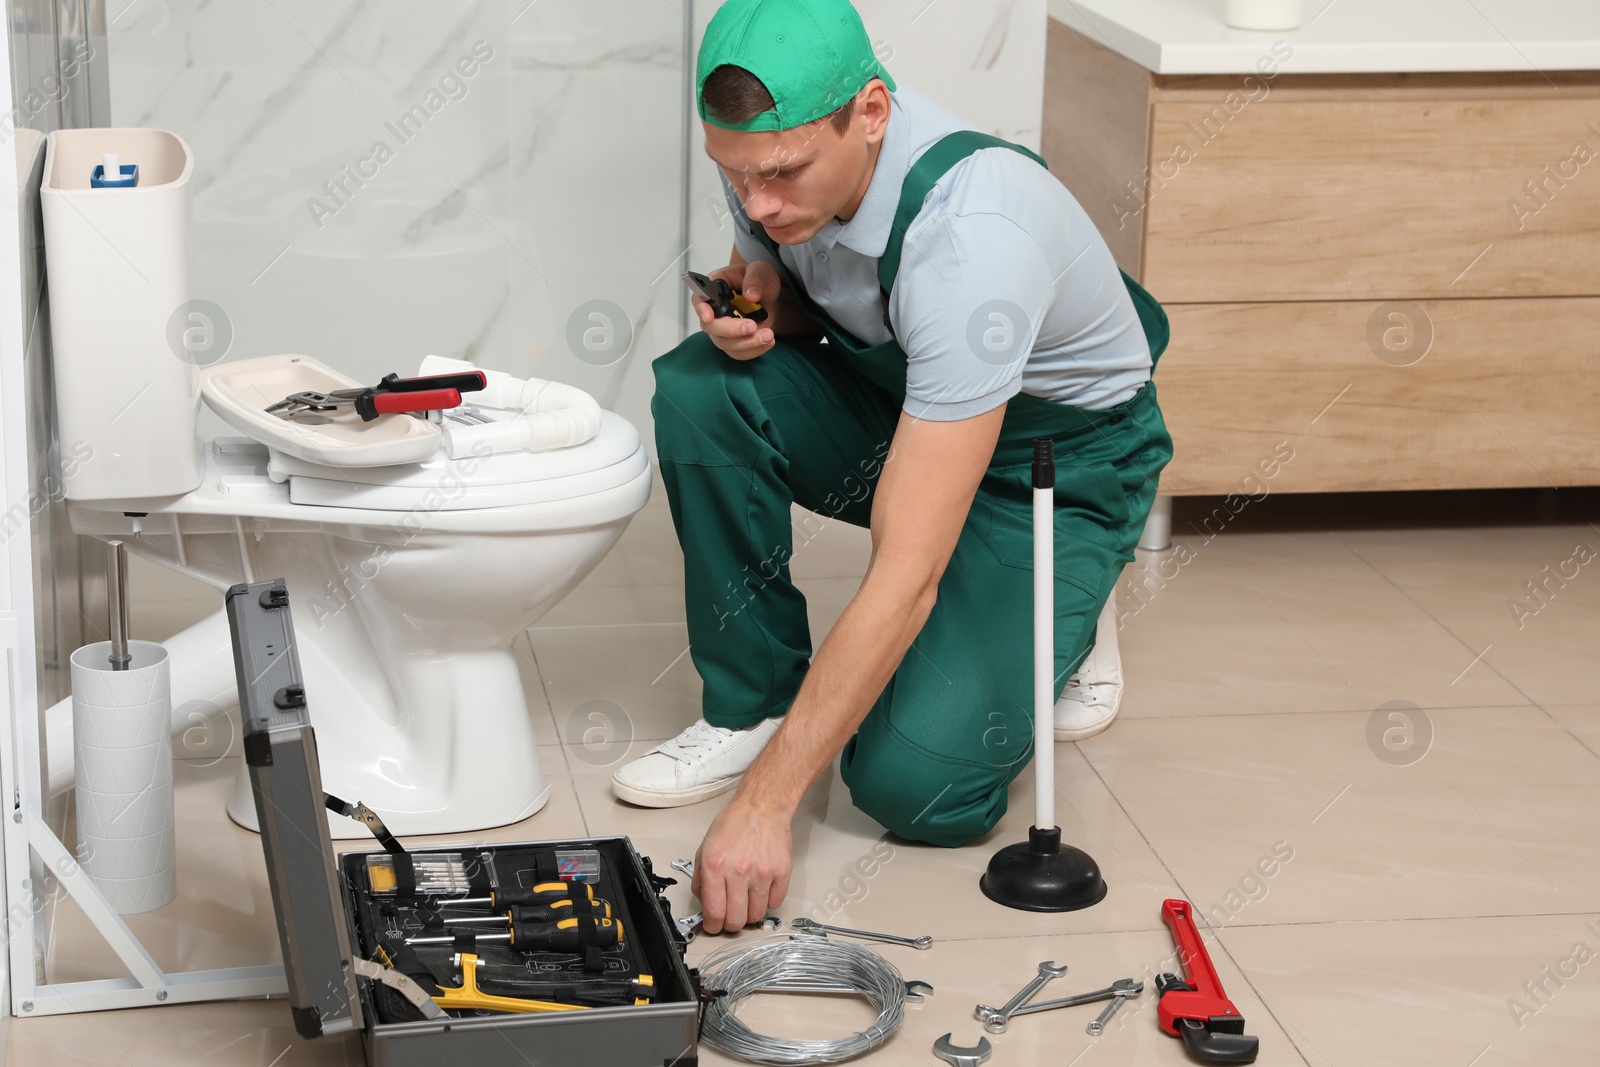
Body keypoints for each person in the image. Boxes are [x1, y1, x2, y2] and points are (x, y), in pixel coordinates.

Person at [609, 0, 1172, 934]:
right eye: (734, 175)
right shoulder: (771, 157)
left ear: (872, 111)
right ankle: (753, 702)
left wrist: (765, 805)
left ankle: (1073, 589)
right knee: (705, 387)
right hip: (914, 399)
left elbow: (904, 575)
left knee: (914, 787)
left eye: (780, 175)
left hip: (1054, 463)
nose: (756, 205)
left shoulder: (975, 242)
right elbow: (799, 290)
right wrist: (760, 310)